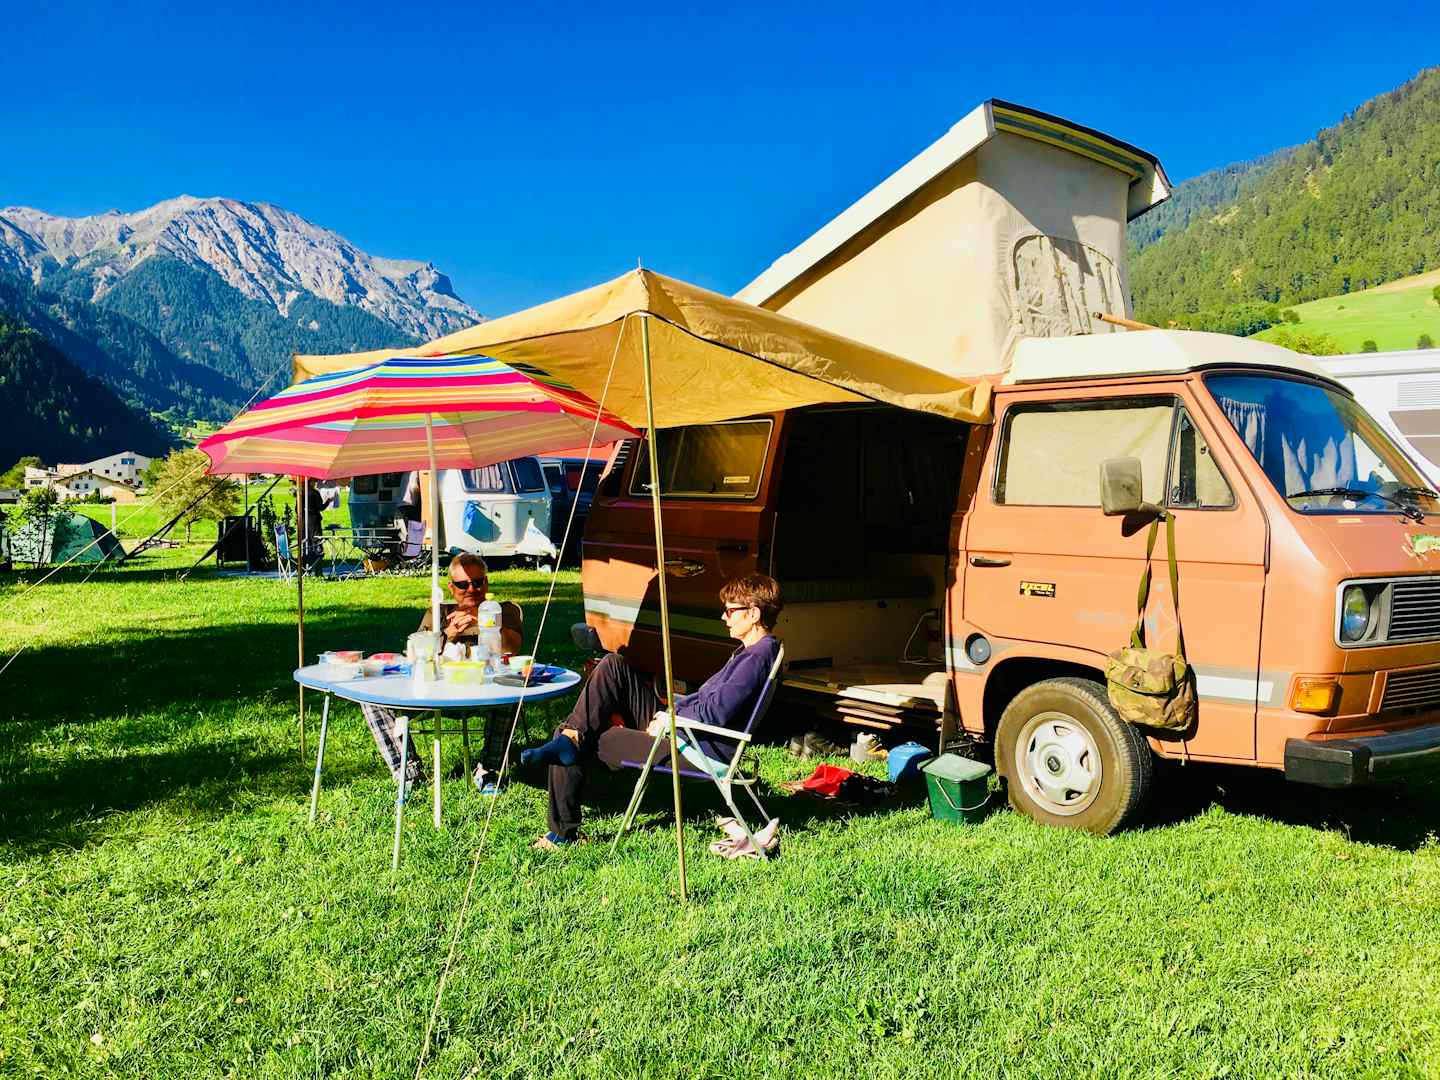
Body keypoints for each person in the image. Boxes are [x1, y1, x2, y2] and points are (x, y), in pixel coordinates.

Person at [522, 572, 783, 850]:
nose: (723, 617)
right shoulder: (751, 652)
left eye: (730, 611)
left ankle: (562, 832)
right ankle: (572, 734)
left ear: (753, 613)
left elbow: (716, 712)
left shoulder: (755, 659)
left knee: (589, 737)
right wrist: (671, 711)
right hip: (687, 732)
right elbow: (704, 699)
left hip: (698, 749)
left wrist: (672, 720)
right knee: (614, 665)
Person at [361, 553, 522, 786]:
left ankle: (489, 770)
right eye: (462, 584)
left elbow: (512, 648)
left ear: (486, 583)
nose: (471, 589)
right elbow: (417, 656)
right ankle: (407, 771)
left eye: (477, 582)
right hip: (434, 695)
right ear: (451, 587)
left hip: (486, 694)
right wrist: (449, 634)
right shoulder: (437, 615)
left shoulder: (502, 610)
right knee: (371, 700)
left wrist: (482, 619)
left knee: (512, 694)